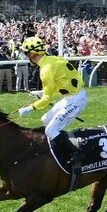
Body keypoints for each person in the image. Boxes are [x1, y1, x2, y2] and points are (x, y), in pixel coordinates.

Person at [17, 36, 86, 191]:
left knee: (50, 130)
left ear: (33, 55)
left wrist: (29, 107)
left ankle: (77, 152)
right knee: (45, 119)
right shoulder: (52, 59)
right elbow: (59, 84)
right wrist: (41, 91)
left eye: (26, 53)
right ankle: (60, 145)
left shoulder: (45, 69)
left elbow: (47, 100)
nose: (26, 56)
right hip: (72, 96)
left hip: (75, 100)